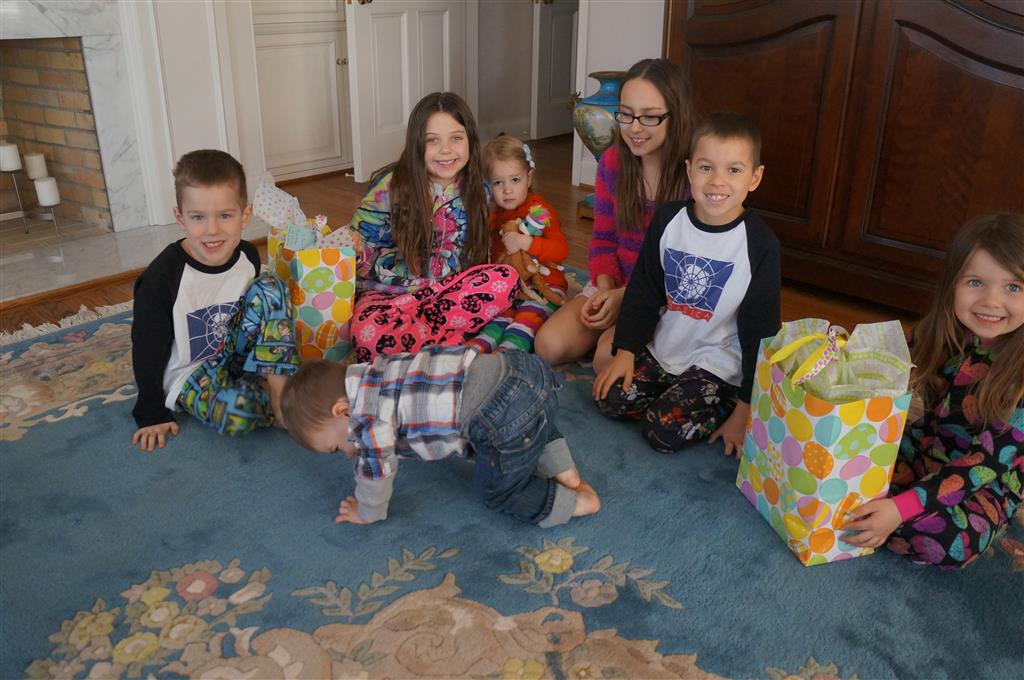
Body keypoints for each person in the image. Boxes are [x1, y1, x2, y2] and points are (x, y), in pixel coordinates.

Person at [593, 112, 780, 454]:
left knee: (662, 432)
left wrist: (745, 408)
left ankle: (723, 404)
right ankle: (677, 394)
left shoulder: (760, 244)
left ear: (755, 178)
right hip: (667, 347)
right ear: (690, 170)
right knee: (611, 400)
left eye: (733, 170)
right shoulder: (669, 220)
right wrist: (626, 351)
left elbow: (761, 331)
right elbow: (643, 291)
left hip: (718, 363)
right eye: (706, 167)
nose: (717, 181)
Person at [844, 213, 1024, 569]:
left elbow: (984, 464)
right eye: (975, 282)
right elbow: (883, 371)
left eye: (1013, 287)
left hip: (984, 482)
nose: (991, 301)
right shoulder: (938, 331)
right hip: (920, 451)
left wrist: (900, 509)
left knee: (944, 541)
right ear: (951, 284)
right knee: (851, 473)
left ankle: (894, 516)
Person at [279, 346, 601, 527]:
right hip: (525, 369)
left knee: (498, 491)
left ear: (342, 411)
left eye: (337, 447)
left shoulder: (366, 417)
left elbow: (377, 472)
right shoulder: (377, 370)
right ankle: (564, 469)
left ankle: (577, 503)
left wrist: (366, 511)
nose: (349, 452)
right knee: (532, 419)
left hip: (501, 413)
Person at [131, 149, 299, 451]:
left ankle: (279, 398)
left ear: (244, 216)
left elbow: (256, 312)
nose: (212, 230)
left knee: (272, 286)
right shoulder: (161, 279)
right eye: (198, 217)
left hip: (235, 357)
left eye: (225, 215)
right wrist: (150, 412)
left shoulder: (247, 255)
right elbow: (146, 349)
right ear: (180, 217)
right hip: (189, 374)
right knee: (236, 412)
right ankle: (259, 399)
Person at [535, 58, 696, 371]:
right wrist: (606, 290)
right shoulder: (612, 163)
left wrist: (626, 298)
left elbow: (685, 269)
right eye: (626, 114)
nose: (634, 127)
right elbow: (603, 240)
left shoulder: (692, 177)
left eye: (650, 117)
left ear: (677, 116)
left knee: (606, 361)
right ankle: (609, 327)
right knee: (548, 345)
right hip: (615, 284)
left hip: (662, 297)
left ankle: (620, 339)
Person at [346, 92, 518, 363]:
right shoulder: (391, 186)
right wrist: (357, 249)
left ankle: (422, 344)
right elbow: (361, 245)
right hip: (392, 295)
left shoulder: (481, 187)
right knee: (367, 334)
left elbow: (515, 209)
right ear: (417, 144)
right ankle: (450, 343)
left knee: (506, 279)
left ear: (471, 140)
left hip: (448, 292)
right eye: (432, 140)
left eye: (456, 138)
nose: (446, 150)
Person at [466, 136, 568, 353]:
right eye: (498, 183)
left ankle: (506, 357)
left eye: (515, 180)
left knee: (524, 324)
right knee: (495, 322)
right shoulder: (495, 215)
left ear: (529, 178)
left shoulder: (539, 211)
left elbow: (561, 251)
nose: (507, 190)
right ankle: (472, 354)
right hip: (510, 289)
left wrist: (527, 242)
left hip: (544, 286)